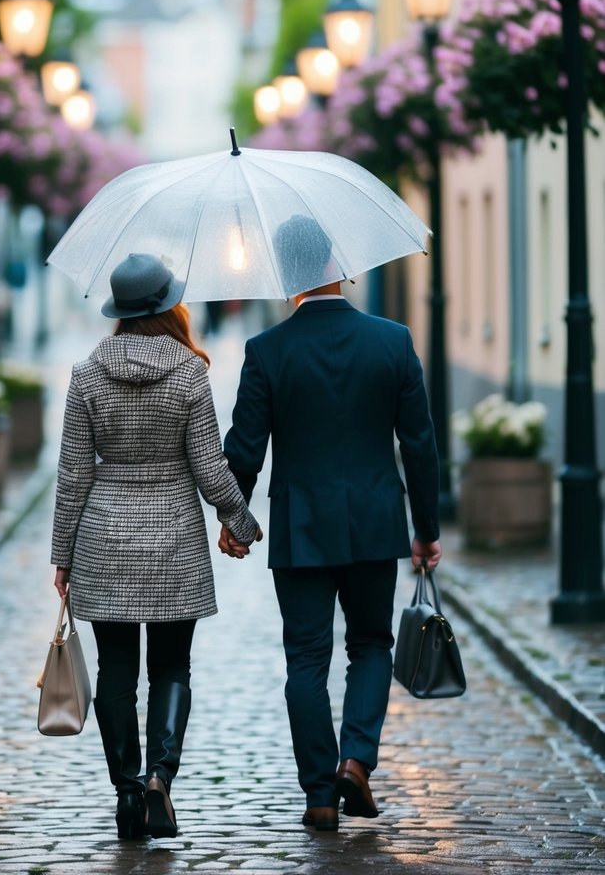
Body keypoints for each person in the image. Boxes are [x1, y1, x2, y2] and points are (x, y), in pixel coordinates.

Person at [220, 215, 441, 832]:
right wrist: (427, 528)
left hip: (302, 528)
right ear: (334, 264)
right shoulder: (392, 341)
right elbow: (419, 445)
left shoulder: (267, 352)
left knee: (305, 661)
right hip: (374, 522)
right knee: (371, 645)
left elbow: (244, 449)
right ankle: (357, 763)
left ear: (289, 273)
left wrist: (235, 520)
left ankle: (319, 792)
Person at [51, 252, 261, 841]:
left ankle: (126, 793)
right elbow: (209, 470)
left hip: (104, 539)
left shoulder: (88, 374)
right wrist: (240, 521)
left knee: (117, 670)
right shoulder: (189, 373)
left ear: (119, 309)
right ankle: (159, 780)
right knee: (172, 665)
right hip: (173, 537)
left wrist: (62, 555)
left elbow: (73, 475)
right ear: (169, 304)